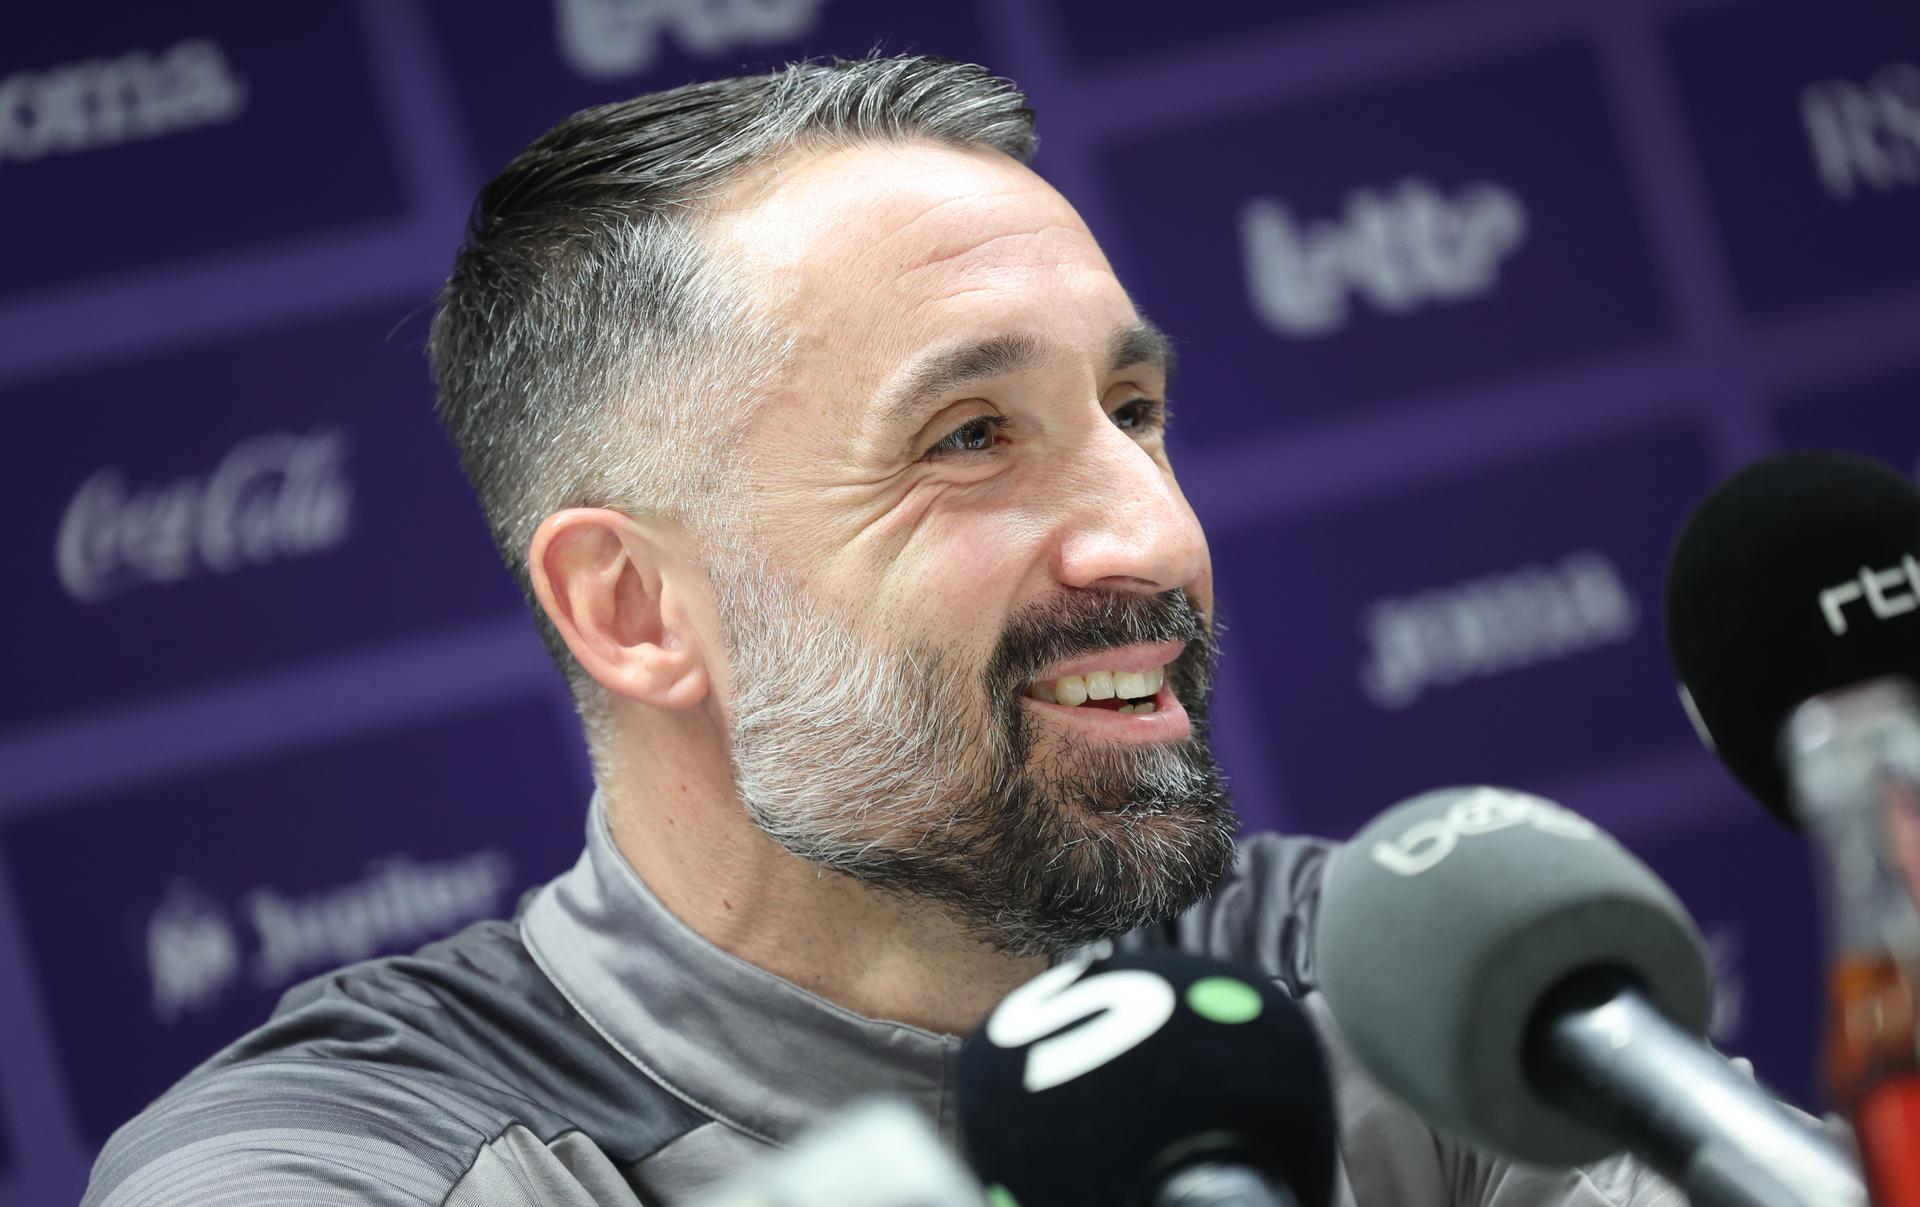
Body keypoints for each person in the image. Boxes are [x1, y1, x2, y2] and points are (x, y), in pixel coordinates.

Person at [81, 56, 1679, 1206]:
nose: (1156, 538)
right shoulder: (345, 1158)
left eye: (1134, 411)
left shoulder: (1413, 985)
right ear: (633, 608)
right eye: (970, 437)